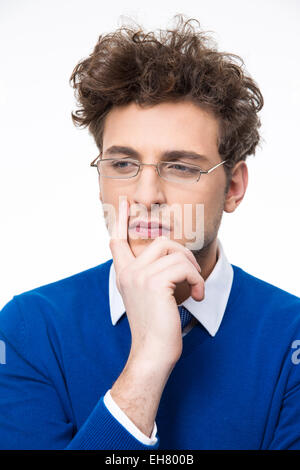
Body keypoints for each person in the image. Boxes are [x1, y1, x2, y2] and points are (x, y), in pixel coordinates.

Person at [0, 15, 300, 451]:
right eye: (122, 164)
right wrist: (147, 362)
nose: (145, 195)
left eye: (180, 167)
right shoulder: (27, 330)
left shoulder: (291, 338)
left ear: (233, 188)